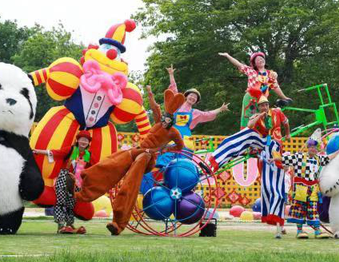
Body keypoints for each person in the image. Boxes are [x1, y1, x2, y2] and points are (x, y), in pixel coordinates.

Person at [75, 90, 185, 235]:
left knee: (129, 185)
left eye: (168, 120)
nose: (165, 121)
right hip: (138, 150)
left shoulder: (173, 132)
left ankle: (118, 223)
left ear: (172, 121)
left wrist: (163, 149)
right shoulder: (159, 121)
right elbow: (154, 108)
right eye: (164, 118)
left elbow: (180, 146)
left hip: (147, 157)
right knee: (110, 163)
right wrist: (151, 95)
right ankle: (83, 190)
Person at [207, 95, 291, 234]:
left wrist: (287, 134)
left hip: (275, 148)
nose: (264, 107)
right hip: (263, 146)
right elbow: (250, 126)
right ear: (259, 107)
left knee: (275, 190)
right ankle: (215, 161)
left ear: (269, 105)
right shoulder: (257, 117)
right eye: (261, 105)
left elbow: (286, 122)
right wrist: (258, 116)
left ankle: (279, 223)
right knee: (247, 134)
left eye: (266, 105)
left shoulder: (276, 112)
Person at [272, 129, 336, 239]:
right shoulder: (298, 157)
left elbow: (329, 158)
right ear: (308, 148)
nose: (313, 149)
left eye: (315, 147)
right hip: (300, 189)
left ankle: (317, 231)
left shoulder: (318, 159)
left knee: (313, 210)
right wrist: (273, 149)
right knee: (299, 210)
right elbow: (280, 158)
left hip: (313, 189)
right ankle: (300, 230)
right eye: (311, 147)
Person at [33, 130, 93, 234]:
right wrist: (38, 151)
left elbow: (93, 168)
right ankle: (61, 225)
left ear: (88, 143)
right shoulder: (71, 149)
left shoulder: (88, 154)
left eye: (86, 140)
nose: (84, 142)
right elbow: (56, 153)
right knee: (60, 201)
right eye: (82, 139)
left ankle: (69, 224)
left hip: (77, 183)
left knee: (71, 203)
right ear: (77, 140)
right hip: (64, 178)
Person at [218, 52, 292, 128]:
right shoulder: (251, 71)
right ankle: (246, 135)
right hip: (251, 98)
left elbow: (276, 87)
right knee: (249, 119)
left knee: (264, 119)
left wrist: (284, 97)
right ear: (254, 63)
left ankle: (262, 137)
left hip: (263, 100)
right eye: (257, 60)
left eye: (261, 58)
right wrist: (227, 55)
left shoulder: (271, 74)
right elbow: (238, 64)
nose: (260, 60)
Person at [165, 65, 230, 150]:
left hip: (185, 135)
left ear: (196, 101)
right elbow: (174, 89)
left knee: (186, 151)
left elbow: (207, 114)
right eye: (191, 95)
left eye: (195, 98)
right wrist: (171, 74)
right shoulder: (177, 104)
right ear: (186, 96)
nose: (193, 98)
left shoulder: (195, 112)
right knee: (168, 149)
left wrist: (220, 109)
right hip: (172, 132)